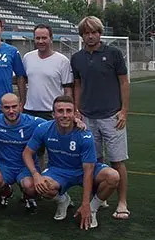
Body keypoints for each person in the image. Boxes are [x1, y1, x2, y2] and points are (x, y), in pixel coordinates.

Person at [22, 95, 120, 230]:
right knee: (40, 186)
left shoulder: (84, 134)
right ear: (53, 114)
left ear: (75, 114)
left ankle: (92, 209)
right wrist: (36, 174)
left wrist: (85, 204)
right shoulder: (43, 128)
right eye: (60, 111)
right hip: (58, 171)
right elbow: (27, 153)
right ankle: (63, 200)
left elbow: (88, 170)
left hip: (82, 170)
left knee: (113, 176)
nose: (64, 115)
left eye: (68, 111)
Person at [70, 15, 130, 220]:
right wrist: (77, 110)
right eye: (86, 33)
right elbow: (77, 85)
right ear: (82, 35)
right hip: (87, 117)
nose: (90, 36)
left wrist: (123, 111)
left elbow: (123, 82)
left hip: (112, 116)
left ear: (100, 33)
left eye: (94, 32)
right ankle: (100, 197)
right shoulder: (77, 58)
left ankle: (122, 202)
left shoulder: (113, 53)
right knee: (94, 161)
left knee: (117, 161)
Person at [0, 93, 46, 213]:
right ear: (1, 108)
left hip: (26, 167)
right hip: (4, 166)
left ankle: (28, 196)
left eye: (14, 106)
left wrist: (75, 121)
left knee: (31, 187)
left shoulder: (32, 122)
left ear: (20, 106)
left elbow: (55, 126)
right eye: (7, 107)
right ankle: (6, 191)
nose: (11, 111)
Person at [23, 24, 73, 119]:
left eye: (44, 38)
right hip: (29, 111)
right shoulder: (27, 58)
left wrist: (66, 111)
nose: (40, 41)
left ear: (51, 38)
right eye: (38, 38)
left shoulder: (62, 61)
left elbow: (68, 90)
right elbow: (23, 81)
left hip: (51, 113)